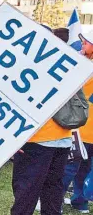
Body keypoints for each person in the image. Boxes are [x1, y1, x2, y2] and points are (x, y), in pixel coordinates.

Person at [10, 26, 72, 215]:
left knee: (26, 195)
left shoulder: (25, 66)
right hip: (62, 138)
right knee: (52, 194)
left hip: (36, 139)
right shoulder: (65, 64)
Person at [61, 28, 93, 213]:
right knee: (80, 168)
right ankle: (79, 200)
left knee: (70, 168)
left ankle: (59, 199)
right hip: (84, 127)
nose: (82, 44)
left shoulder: (84, 67)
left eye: (85, 42)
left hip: (82, 128)